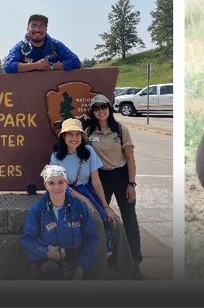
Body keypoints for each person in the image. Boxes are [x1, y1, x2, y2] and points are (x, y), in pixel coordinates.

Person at [50, 118, 135, 278]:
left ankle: (127, 269)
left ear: (82, 136)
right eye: (70, 134)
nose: (74, 138)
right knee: (96, 223)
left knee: (114, 222)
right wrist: (86, 201)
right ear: (63, 136)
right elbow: (61, 185)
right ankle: (98, 274)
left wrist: (105, 206)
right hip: (68, 196)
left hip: (88, 192)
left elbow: (96, 180)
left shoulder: (88, 151)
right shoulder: (56, 157)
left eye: (77, 134)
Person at [85, 93, 144, 278]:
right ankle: (109, 256)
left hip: (121, 176)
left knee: (130, 220)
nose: (100, 111)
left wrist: (131, 183)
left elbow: (130, 159)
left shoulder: (120, 130)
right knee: (103, 218)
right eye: (96, 108)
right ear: (92, 111)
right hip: (101, 178)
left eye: (104, 107)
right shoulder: (88, 133)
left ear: (109, 108)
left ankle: (135, 262)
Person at [21, 164, 100, 280]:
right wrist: (46, 253)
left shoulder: (79, 207)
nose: (57, 187)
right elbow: (28, 239)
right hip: (49, 260)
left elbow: (91, 238)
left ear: (67, 184)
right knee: (50, 270)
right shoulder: (38, 209)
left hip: (76, 257)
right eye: (51, 183)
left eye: (61, 182)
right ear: (45, 186)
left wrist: (82, 266)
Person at [3, 14, 81, 73]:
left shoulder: (55, 45)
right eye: (34, 26)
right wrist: (36, 65)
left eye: (42, 26)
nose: (37, 29)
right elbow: (8, 66)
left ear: (46, 29)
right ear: (27, 29)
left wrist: (51, 66)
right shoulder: (21, 46)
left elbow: (75, 62)